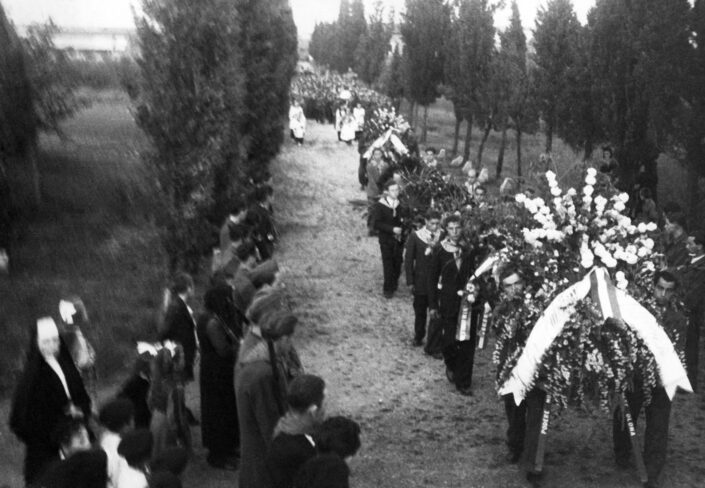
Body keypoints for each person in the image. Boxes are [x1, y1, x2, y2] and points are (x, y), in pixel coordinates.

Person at [612, 270, 686, 488]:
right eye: (659, 288)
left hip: (662, 379)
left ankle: (652, 470)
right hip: (636, 375)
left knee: (658, 425)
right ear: (652, 287)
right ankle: (622, 453)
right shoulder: (638, 311)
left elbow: (678, 350)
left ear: (674, 293)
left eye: (668, 290)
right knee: (624, 416)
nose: (662, 293)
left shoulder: (679, 319)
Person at [9, 317, 92, 484]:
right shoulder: (32, 377)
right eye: (46, 342)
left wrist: (80, 410)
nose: (51, 346)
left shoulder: (67, 366)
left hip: (76, 430)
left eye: (55, 341)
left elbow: (81, 395)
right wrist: (63, 421)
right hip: (48, 443)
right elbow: (29, 415)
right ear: (37, 343)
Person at [492, 265, 546, 486]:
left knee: (536, 416)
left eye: (517, 284)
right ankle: (515, 446)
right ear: (502, 289)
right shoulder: (500, 310)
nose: (514, 289)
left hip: (536, 371)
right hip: (511, 371)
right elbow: (499, 335)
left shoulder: (538, 306)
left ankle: (534, 463)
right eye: (509, 285)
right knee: (514, 413)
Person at [236, 307, 302, 488]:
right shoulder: (261, 374)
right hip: (261, 465)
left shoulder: (267, 360)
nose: (292, 344)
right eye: (291, 338)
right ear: (283, 339)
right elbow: (270, 423)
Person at [427, 215, 479, 396]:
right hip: (447, 304)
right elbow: (432, 279)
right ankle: (451, 364)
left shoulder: (469, 250)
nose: (455, 232)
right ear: (446, 230)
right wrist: (432, 305)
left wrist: (475, 294)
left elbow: (476, 274)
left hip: (467, 303)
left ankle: (463, 381)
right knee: (448, 342)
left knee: (466, 343)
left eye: (458, 228)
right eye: (451, 229)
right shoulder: (440, 251)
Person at [197, 283, 241, 470]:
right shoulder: (212, 322)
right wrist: (238, 346)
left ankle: (227, 448)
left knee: (223, 409)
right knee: (218, 411)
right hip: (216, 371)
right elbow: (222, 350)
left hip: (213, 369)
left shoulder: (206, 317)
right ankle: (218, 454)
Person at [268, 374, 327, 488]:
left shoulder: (283, 428)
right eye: (325, 402)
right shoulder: (307, 449)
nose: (326, 407)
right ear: (313, 410)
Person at [404, 209, 441, 347]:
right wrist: (410, 281)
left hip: (437, 281)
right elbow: (408, 260)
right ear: (426, 222)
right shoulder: (416, 236)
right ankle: (418, 335)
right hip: (421, 280)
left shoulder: (442, 236)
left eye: (437, 223)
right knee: (420, 311)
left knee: (435, 312)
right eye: (432, 223)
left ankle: (432, 342)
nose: (435, 227)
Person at [294, 417, 361, 488]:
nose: (360, 456)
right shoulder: (337, 480)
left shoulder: (305, 472)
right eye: (359, 452)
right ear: (349, 458)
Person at [677, 231, 705, 391]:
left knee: (690, 347)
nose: (687, 246)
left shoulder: (701, 268)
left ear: (700, 246)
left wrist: (681, 302)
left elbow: (695, 294)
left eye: (690, 244)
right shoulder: (692, 262)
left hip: (691, 312)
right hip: (684, 309)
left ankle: (689, 381)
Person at [158, 273, 197, 384]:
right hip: (177, 360)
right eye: (192, 286)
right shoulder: (177, 307)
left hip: (180, 359)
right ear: (188, 288)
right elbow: (165, 331)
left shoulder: (180, 306)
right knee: (177, 393)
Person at [372, 180, 406, 298]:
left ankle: (394, 282)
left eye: (397, 190)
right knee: (388, 263)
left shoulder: (399, 204)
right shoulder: (380, 205)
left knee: (398, 262)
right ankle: (387, 289)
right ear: (386, 192)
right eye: (393, 190)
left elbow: (402, 219)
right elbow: (376, 224)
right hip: (386, 239)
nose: (395, 192)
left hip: (398, 239)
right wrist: (392, 229)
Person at [98, 398, 135, 488]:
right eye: (132, 419)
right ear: (125, 425)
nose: (134, 422)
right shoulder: (119, 451)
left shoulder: (106, 438)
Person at [117, 353, 152, 429]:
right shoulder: (134, 382)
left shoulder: (151, 379)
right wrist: (133, 408)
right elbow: (121, 396)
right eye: (148, 365)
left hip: (150, 414)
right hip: (141, 417)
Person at [247, 185, 277, 261]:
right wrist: (272, 241)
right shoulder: (262, 214)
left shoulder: (263, 208)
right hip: (263, 247)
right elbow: (264, 232)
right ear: (267, 197)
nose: (274, 197)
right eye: (272, 195)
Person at [365, 148, 389, 235]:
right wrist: (377, 190)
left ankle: (378, 228)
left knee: (381, 210)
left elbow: (387, 178)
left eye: (379, 154)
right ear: (373, 155)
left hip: (382, 191)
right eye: (375, 154)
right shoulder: (370, 165)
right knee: (372, 209)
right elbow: (370, 179)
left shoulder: (385, 165)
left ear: (382, 155)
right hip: (372, 191)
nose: (377, 156)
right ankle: (371, 228)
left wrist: (385, 189)